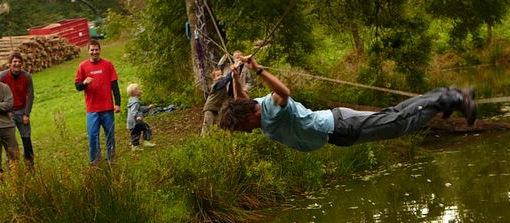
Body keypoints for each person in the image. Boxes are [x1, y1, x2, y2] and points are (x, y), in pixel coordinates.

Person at [220, 55, 476, 152]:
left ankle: (450, 99)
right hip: (338, 132)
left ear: (249, 117)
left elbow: (284, 92)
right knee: (395, 115)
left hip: (341, 126)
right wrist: (235, 75)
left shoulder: (271, 111)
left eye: (240, 128)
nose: (241, 132)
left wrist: (259, 69)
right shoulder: (256, 111)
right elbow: (241, 101)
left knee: (399, 123)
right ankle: (448, 95)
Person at [74, 39, 121, 163]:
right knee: (93, 136)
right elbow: (78, 86)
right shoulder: (82, 66)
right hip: (92, 109)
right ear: (88, 51)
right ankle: (95, 161)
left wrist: (117, 103)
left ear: (100, 50)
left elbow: (114, 85)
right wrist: (84, 83)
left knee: (110, 135)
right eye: (92, 50)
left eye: (96, 49)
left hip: (107, 108)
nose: (94, 52)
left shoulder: (108, 64)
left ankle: (110, 158)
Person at [0, 52, 35, 165]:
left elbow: (30, 95)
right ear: (10, 64)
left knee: (26, 138)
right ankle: (12, 164)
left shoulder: (27, 77)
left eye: (19, 62)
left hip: (22, 111)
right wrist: (6, 111)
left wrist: (26, 114)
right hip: (8, 113)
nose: (17, 64)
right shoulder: (2, 77)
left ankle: (29, 163)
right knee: (9, 140)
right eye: (15, 61)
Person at [201, 68, 234, 136]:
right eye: (218, 75)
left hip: (216, 109)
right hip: (209, 108)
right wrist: (233, 69)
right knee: (207, 126)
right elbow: (227, 79)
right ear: (214, 78)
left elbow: (229, 80)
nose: (221, 76)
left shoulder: (223, 85)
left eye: (221, 74)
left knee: (216, 126)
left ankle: (213, 141)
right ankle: (203, 141)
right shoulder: (217, 84)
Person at [125, 83, 155, 148]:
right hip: (135, 121)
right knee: (146, 128)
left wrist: (148, 108)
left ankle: (134, 146)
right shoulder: (135, 102)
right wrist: (137, 116)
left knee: (136, 132)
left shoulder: (132, 100)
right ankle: (146, 142)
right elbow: (134, 111)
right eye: (138, 89)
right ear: (135, 92)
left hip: (132, 121)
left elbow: (139, 109)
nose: (140, 90)